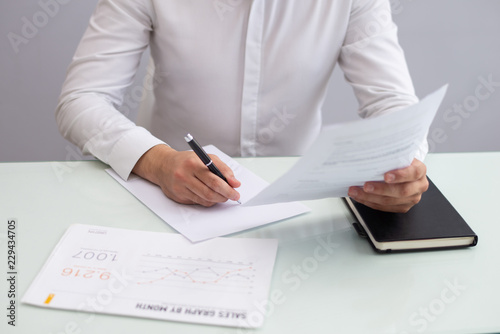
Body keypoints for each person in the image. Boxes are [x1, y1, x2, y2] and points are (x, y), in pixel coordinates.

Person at [56, 0, 429, 212]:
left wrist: (400, 167)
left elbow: (392, 101)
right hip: (164, 197)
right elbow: (82, 98)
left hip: (295, 205)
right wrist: (156, 161)